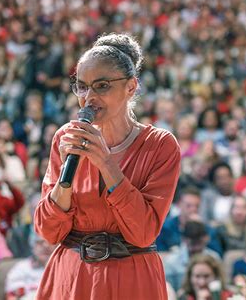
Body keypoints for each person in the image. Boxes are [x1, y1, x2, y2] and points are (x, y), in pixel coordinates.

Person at [34, 33, 181, 299]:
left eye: (101, 86)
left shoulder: (161, 145)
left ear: (131, 87)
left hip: (132, 279)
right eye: (81, 86)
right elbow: (49, 230)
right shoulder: (65, 138)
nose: (88, 97)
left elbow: (143, 232)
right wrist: (66, 179)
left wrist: (105, 162)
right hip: (72, 276)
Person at [5, 232, 56, 298]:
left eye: (50, 243)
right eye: (40, 242)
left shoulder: (62, 267)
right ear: (33, 246)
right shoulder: (22, 267)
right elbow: (11, 293)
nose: (46, 246)